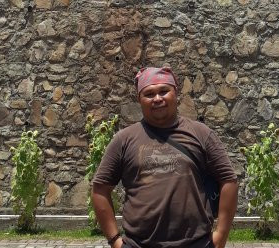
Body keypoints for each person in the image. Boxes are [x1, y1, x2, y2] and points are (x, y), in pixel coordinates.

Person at [91, 66, 239, 248]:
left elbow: (228, 180)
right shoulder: (124, 139)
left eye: (164, 91)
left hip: (197, 243)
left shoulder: (201, 133)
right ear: (140, 99)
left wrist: (221, 235)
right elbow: (100, 189)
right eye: (149, 94)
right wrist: (115, 241)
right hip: (138, 244)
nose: (157, 98)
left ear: (175, 93)